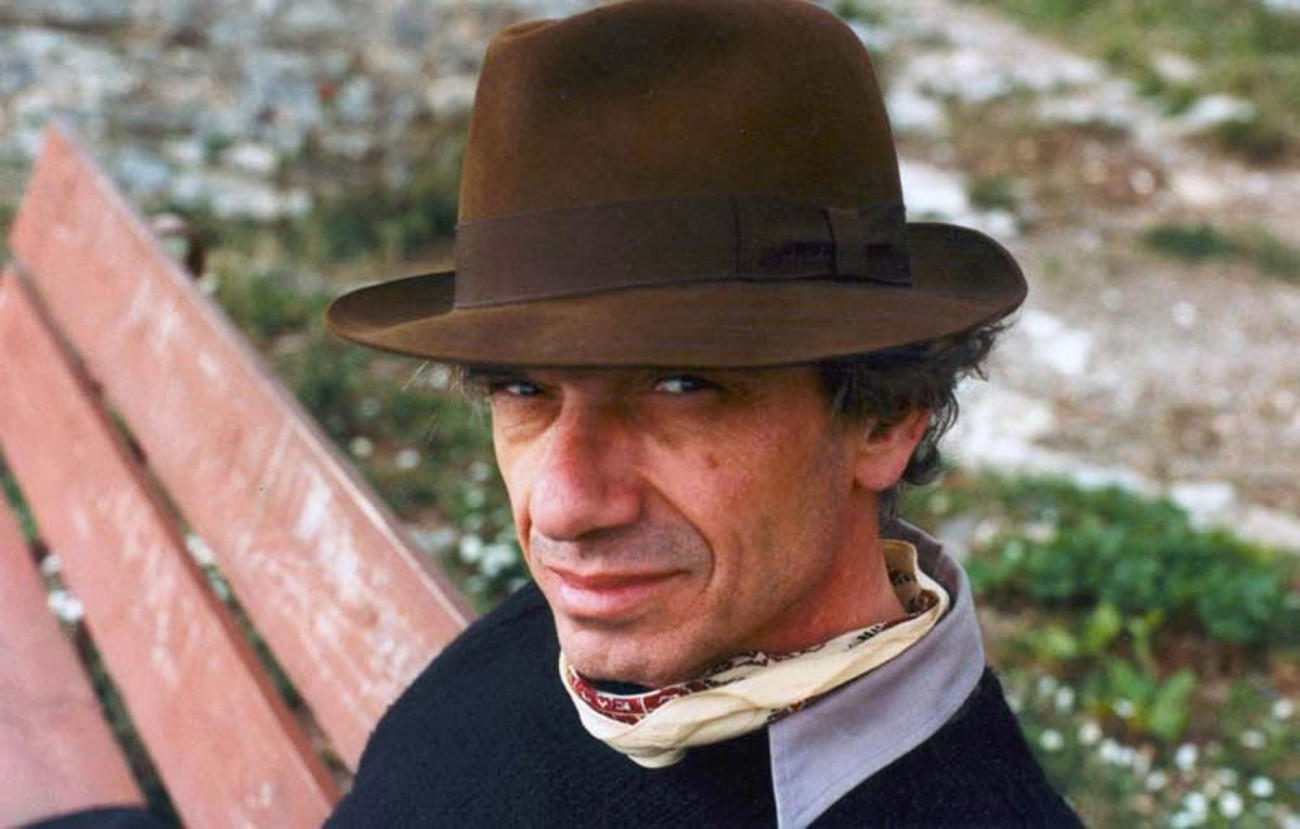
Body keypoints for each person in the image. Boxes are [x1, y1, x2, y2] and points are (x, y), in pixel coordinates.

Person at [325, 0, 1082, 825]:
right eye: (521, 389)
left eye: (681, 386)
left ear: (889, 415)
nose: (564, 507)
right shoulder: (555, 644)